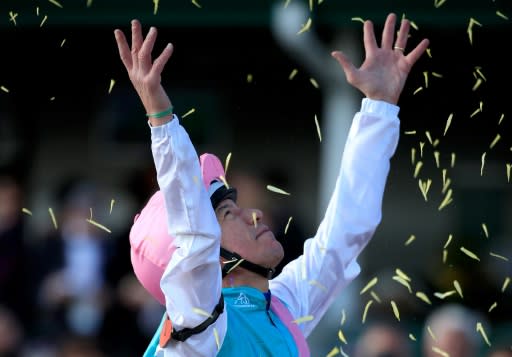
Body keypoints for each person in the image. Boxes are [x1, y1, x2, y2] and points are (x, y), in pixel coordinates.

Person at [113, 12, 429, 356]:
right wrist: (160, 117)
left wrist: (379, 109)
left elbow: (347, 229)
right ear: (205, 257)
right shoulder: (196, 324)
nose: (255, 214)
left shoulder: (280, 306)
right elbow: (193, 233)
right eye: (229, 214)